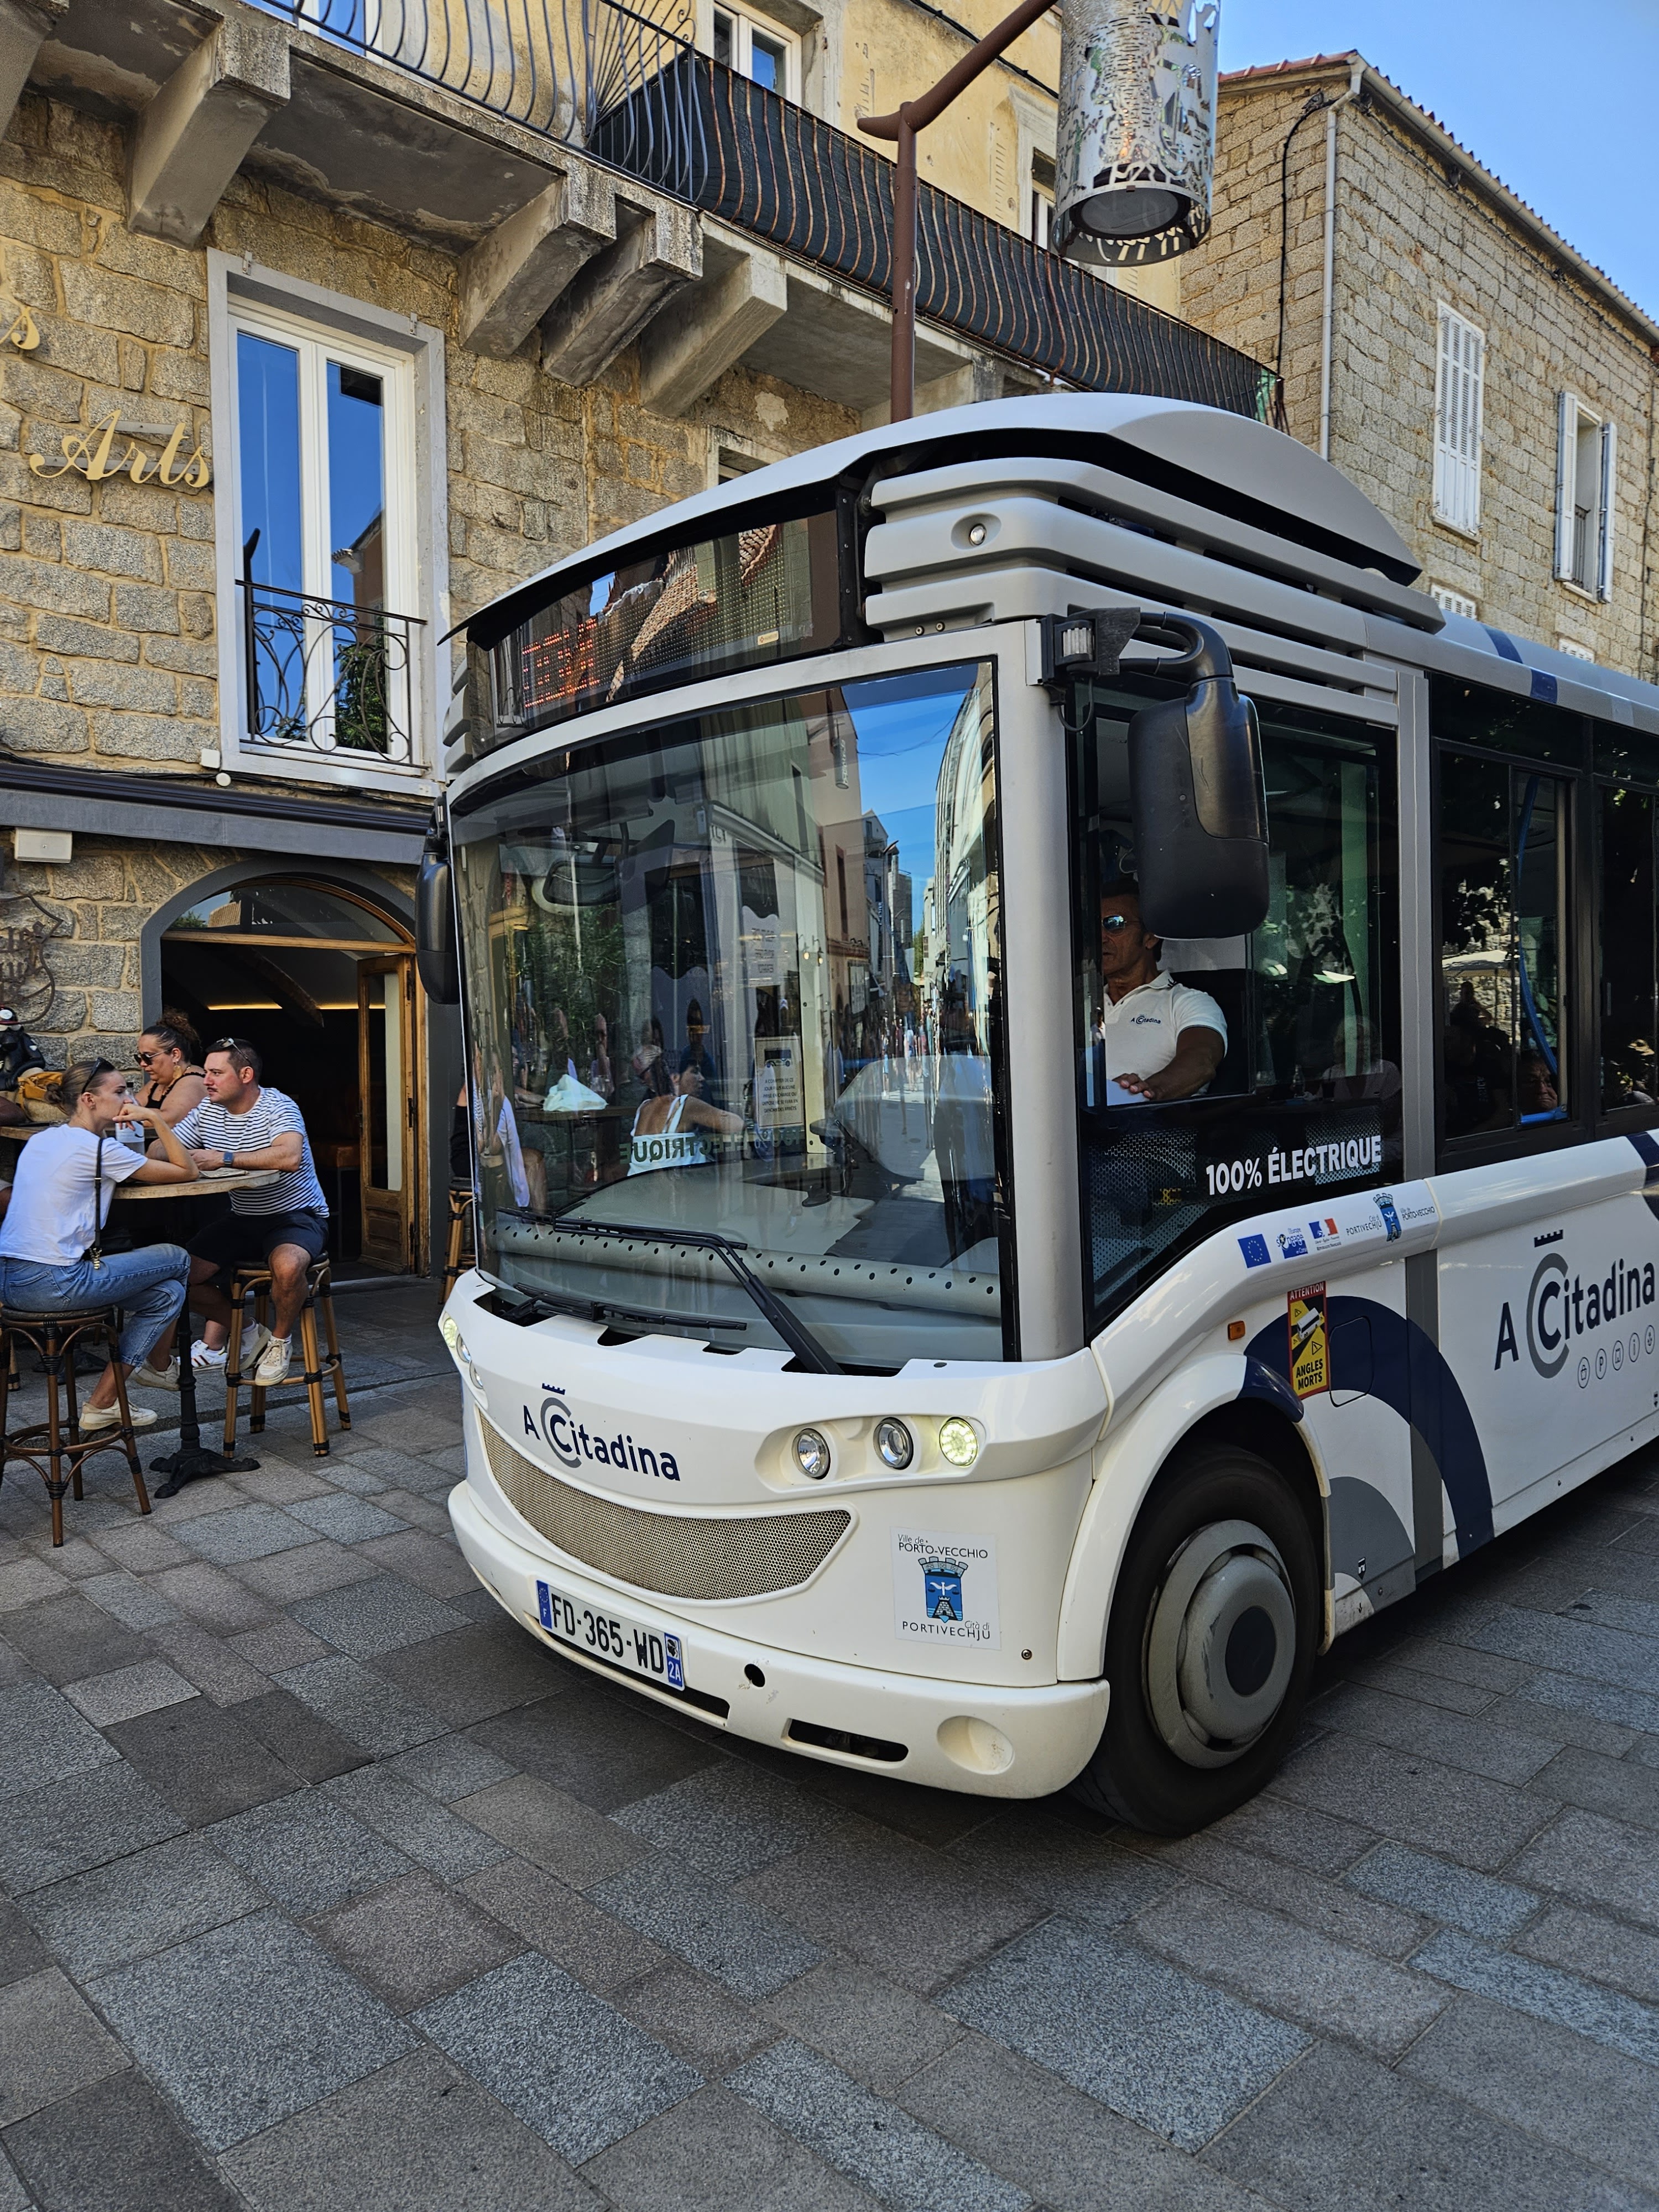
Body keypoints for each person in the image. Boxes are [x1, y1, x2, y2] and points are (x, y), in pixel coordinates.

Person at [0, 1061, 197, 1428]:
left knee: (168, 1294)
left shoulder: (41, 1140)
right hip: (56, 1283)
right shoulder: (99, 1151)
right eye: (120, 1091)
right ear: (89, 1100)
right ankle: (158, 1366)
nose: (130, 1099)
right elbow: (188, 1172)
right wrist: (157, 1119)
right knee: (178, 1258)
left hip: (10, 1281)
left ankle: (106, 1400)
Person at [148, 1037, 330, 1391]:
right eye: (207, 1072)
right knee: (179, 1274)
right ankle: (247, 1332)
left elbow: (289, 1156)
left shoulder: (277, 1106)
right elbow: (159, 1149)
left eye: (216, 1073)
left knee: (288, 1266)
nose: (206, 1080)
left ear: (245, 1075)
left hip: (296, 1214)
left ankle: (279, 1341)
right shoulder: (207, 1111)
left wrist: (223, 1158)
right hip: (244, 1217)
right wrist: (162, 1138)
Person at [1090, 881, 1227, 1104]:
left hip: (1150, 1124)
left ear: (1150, 937)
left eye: (1114, 924)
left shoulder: (1187, 1002)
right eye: (1094, 927)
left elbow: (1201, 1061)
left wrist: (1145, 1092)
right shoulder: (1081, 1004)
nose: (1101, 937)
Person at [627, 1059, 742, 1175]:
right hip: (674, 1185)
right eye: (695, 1072)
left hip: (637, 1183)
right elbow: (738, 1125)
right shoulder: (686, 1105)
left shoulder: (644, 1107)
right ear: (676, 1078)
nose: (702, 1078)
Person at [136, 1013, 207, 1126]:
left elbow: (169, 1120)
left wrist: (129, 1115)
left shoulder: (194, 1081)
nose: (143, 1064)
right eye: (140, 1058)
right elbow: (129, 1107)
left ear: (175, 1055)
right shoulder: (157, 1083)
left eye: (148, 1057)